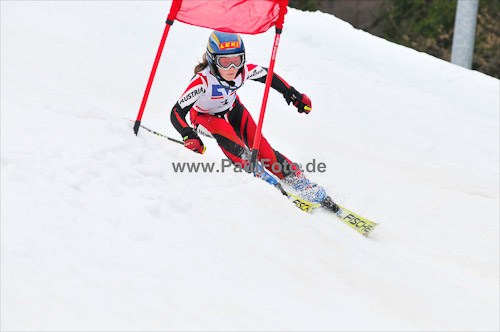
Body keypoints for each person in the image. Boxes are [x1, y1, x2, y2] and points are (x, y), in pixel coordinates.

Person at [170, 30, 336, 208]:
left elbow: (268, 75)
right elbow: (177, 111)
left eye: (237, 60)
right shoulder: (203, 80)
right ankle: (262, 181)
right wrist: (189, 134)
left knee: (263, 149)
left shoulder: (242, 72)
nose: (232, 68)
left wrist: (293, 94)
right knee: (234, 143)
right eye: (224, 62)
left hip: (233, 109)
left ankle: (301, 183)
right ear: (212, 60)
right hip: (204, 117)